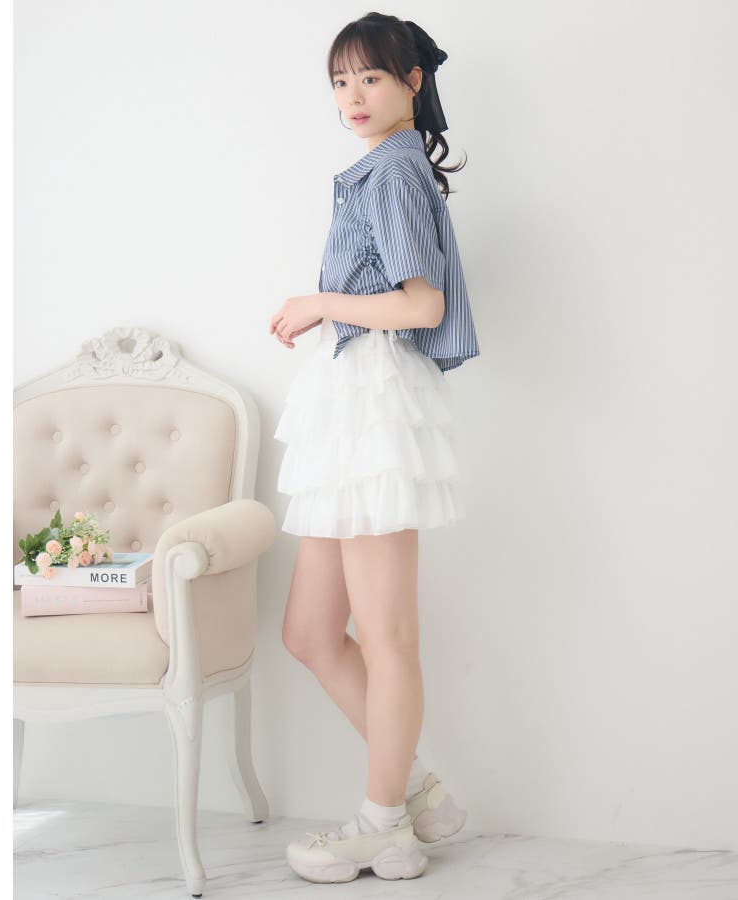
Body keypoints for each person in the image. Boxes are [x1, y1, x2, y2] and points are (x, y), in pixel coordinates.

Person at [269, 12, 479, 884]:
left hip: (374, 407)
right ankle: (417, 791)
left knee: (385, 636)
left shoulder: (392, 169)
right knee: (311, 632)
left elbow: (423, 305)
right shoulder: (381, 165)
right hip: (349, 404)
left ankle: (383, 823)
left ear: (412, 83)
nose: (352, 96)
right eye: (340, 81)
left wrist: (319, 302)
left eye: (371, 78)